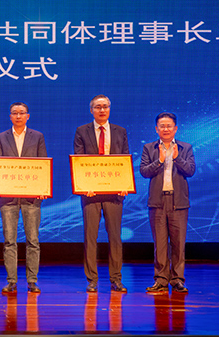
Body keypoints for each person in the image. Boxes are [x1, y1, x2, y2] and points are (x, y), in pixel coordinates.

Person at [73, 95, 130, 293]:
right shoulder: (82, 131)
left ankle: (116, 279)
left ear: (109, 109)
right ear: (92, 110)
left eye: (105, 106)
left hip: (114, 193)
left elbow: (124, 160)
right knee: (90, 237)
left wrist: (124, 184)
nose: (102, 110)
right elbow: (79, 161)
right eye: (98, 107)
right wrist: (84, 185)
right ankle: (92, 280)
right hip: (90, 193)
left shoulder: (120, 131)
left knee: (115, 237)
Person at [0, 102, 47, 294]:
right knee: (9, 241)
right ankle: (12, 281)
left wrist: (43, 188)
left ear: (27, 116)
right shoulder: (1, 137)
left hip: (31, 197)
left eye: (22, 113)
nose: (18, 116)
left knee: (33, 240)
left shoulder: (37, 136)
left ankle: (32, 281)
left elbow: (42, 164)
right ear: (10, 116)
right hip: (8, 198)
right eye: (14, 113)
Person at [140, 112, 196, 294]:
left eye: (169, 126)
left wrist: (177, 158)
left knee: (178, 244)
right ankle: (161, 280)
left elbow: (190, 171)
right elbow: (144, 172)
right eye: (162, 126)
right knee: (160, 244)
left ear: (175, 128)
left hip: (178, 201)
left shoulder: (185, 147)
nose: (165, 129)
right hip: (157, 201)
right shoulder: (149, 148)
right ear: (156, 129)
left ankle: (177, 279)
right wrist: (160, 161)